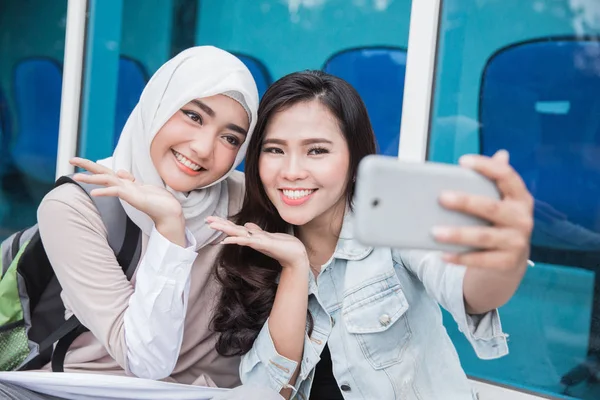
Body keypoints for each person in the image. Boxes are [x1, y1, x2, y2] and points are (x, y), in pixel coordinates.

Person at [208, 70, 534, 399]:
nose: (291, 171)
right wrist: (294, 266)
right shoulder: (256, 244)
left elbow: (468, 290)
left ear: (355, 159)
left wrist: (506, 258)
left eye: (317, 150)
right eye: (275, 150)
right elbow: (270, 390)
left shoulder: (393, 224)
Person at [0, 46, 282, 400]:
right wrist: (169, 228)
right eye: (194, 116)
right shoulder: (77, 207)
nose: (203, 148)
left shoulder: (253, 202)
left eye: (230, 138)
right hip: (76, 391)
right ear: (157, 106)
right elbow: (146, 360)